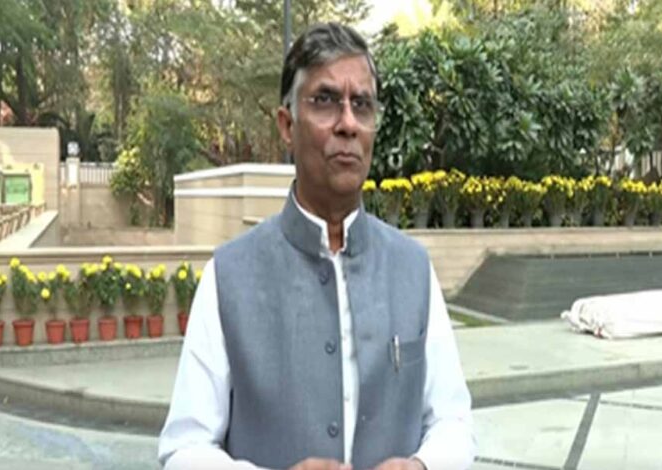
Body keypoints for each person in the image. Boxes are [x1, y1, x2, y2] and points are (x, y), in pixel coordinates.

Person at [158, 22, 476, 470]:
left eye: (361, 105)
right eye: (325, 101)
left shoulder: (413, 269)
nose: (348, 124)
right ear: (287, 125)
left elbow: (453, 421)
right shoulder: (229, 277)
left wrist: (423, 466)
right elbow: (184, 447)